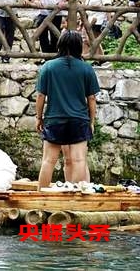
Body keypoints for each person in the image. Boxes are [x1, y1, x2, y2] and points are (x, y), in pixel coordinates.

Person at [35, 31, 99, 190]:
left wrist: (38, 117)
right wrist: (91, 121)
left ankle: (41, 197)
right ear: (79, 47)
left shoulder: (48, 67)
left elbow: (41, 95)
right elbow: (91, 98)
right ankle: (74, 196)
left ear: (60, 45)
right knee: (79, 160)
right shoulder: (86, 69)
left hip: (54, 119)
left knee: (48, 160)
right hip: (79, 120)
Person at [83, 0, 111, 66]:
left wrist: (109, 20)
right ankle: (100, 59)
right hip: (91, 19)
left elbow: (107, 4)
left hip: (98, 19)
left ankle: (101, 59)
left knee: (94, 40)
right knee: (93, 40)